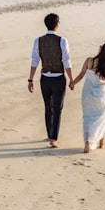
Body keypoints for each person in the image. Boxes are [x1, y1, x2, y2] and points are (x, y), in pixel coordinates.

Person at [28, 13, 73, 148]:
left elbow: (35, 61)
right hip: (58, 78)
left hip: (45, 79)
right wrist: (71, 80)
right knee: (57, 108)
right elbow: (67, 62)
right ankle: (53, 138)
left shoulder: (38, 41)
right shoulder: (62, 41)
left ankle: (50, 134)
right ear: (57, 24)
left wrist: (30, 79)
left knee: (48, 107)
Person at [70, 43, 105, 154]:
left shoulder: (89, 61)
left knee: (88, 117)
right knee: (102, 117)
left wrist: (72, 83)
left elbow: (81, 75)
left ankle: (87, 142)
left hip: (87, 93)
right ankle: (101, 143)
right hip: (100, 95)